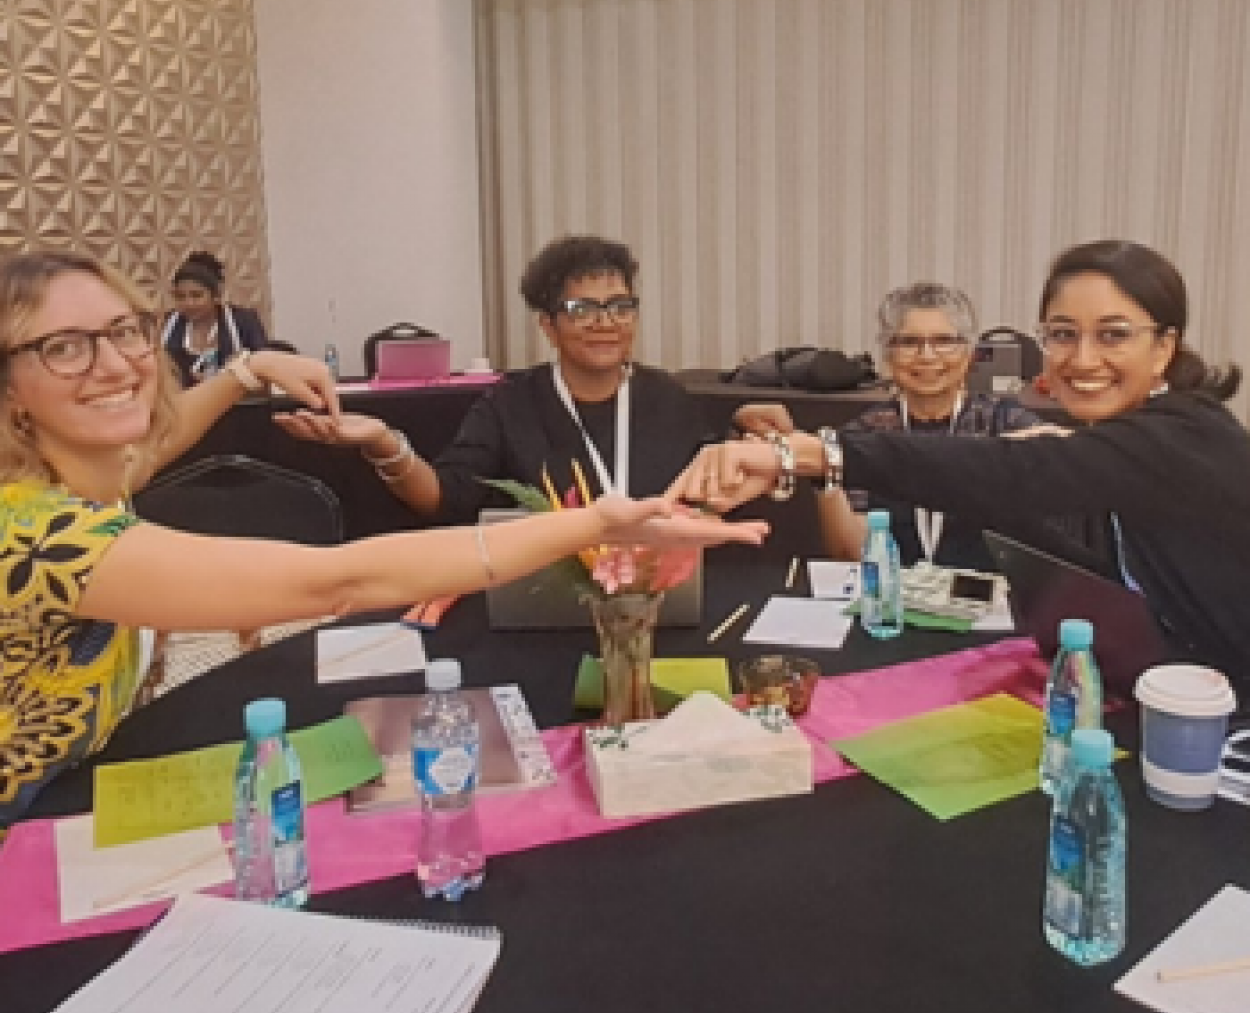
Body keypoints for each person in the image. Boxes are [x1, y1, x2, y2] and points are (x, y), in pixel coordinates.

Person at [0, 250, 767, 833]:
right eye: (62, 347)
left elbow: (158, 437)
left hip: (74, 773)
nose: (114, 365)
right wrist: (598, 522)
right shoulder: (39, 533)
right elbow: (337, 584)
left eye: (123, 333)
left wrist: (245, 369)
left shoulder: (75, 477)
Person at [672, 240, 1249, 687]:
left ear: (1165, 346)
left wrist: (803, 454)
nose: (1083, 358)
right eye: (1063, 334)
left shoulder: (1183, 434)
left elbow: (1013, 474)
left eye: (1114, 335)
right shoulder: (1135, 434)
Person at [277, 235, 714, 522]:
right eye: (583, 310)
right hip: (540, 599)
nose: (606, 322)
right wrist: (385, 444)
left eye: (620, 306)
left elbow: (715, 494)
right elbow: (443, 498)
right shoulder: (510, 404)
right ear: (547, 324)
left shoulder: (667, 399)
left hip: (658, 595)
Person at [733, 283, 1040, 571]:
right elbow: (851, 551)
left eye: (944, 341)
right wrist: (824, 467)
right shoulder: (864, 434)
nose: (927, 356)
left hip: (988, 609)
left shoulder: (1004, 423)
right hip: (891, 606)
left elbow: (1065, 458)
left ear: (970, 354)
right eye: (908, 342)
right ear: (888, 356)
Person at [161, 250, 270, 387]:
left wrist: (240, 370)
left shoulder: (244, 322)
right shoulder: (165, 325)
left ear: (216, 296)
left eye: (197, 295)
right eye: (180, 296)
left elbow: (265, 370)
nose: (188, 303)